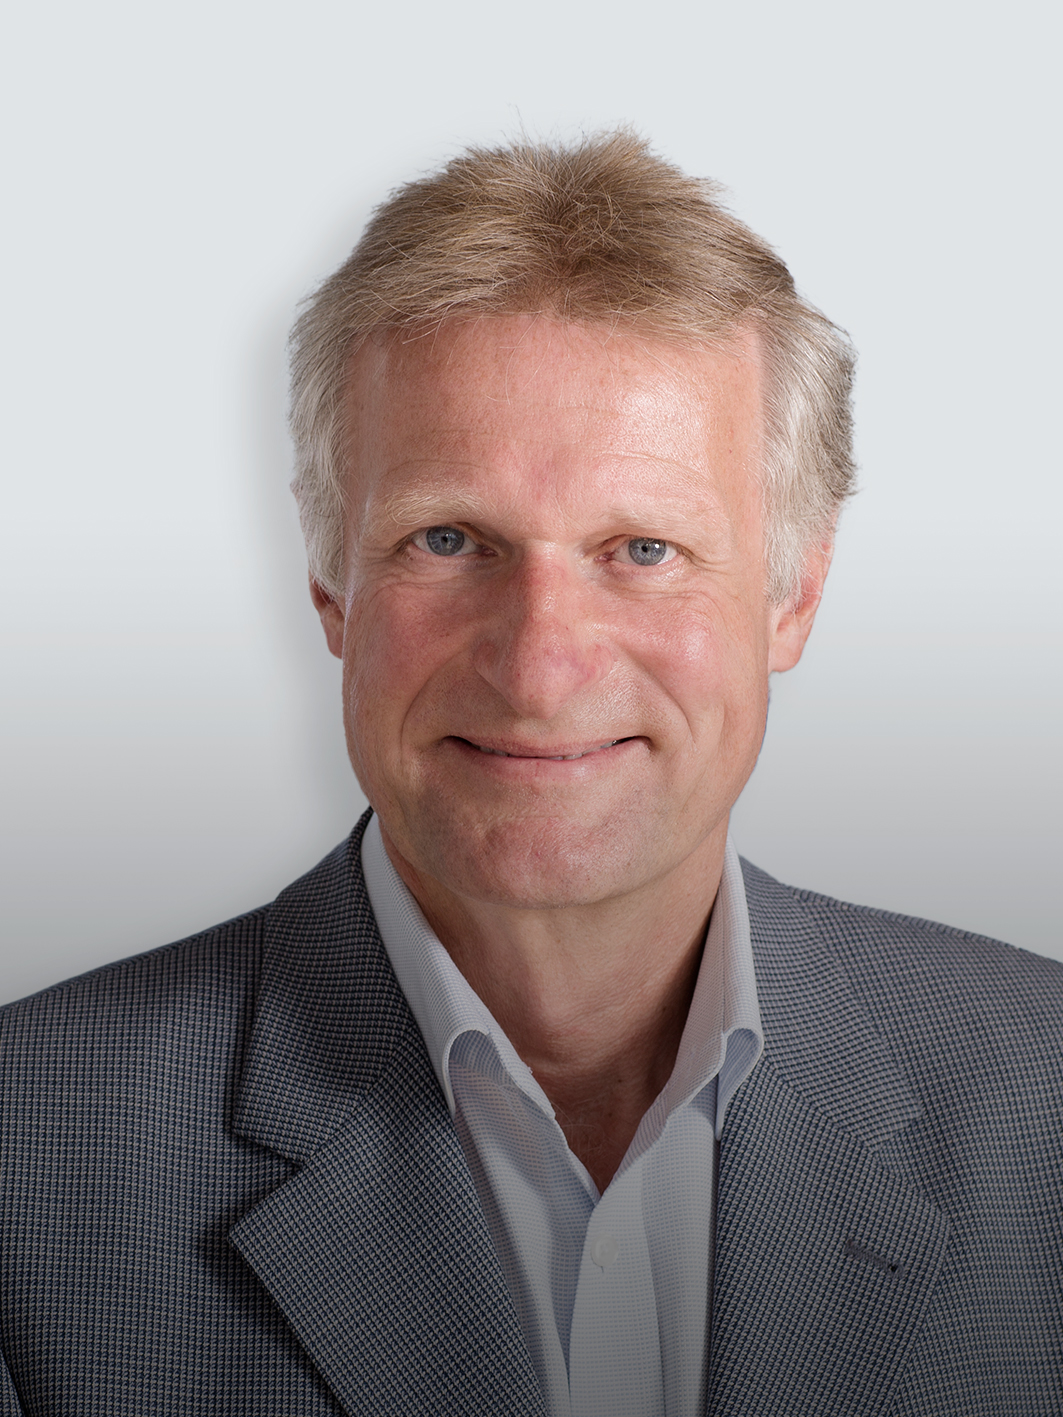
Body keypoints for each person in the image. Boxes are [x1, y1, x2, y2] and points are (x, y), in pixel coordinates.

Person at [1, 132, 1059, 1417]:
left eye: (644, 548)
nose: (542, 666)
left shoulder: (1044, 1097)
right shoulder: (27, 1153)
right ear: (330, 582)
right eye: (448, 540)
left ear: (793, 597)